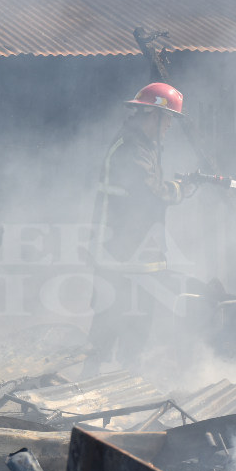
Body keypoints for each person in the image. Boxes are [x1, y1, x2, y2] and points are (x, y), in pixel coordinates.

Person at [83, 82, 200, 376]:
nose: (170, 126)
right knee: (108, 328)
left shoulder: (143, 146)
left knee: (136, 331)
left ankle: (122, 391)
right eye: (169, 118)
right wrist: (183, 188)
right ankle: (86, 393)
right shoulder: (132, 148)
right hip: (120, 258)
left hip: (136, 257)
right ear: (153, 115)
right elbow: (154, 192)